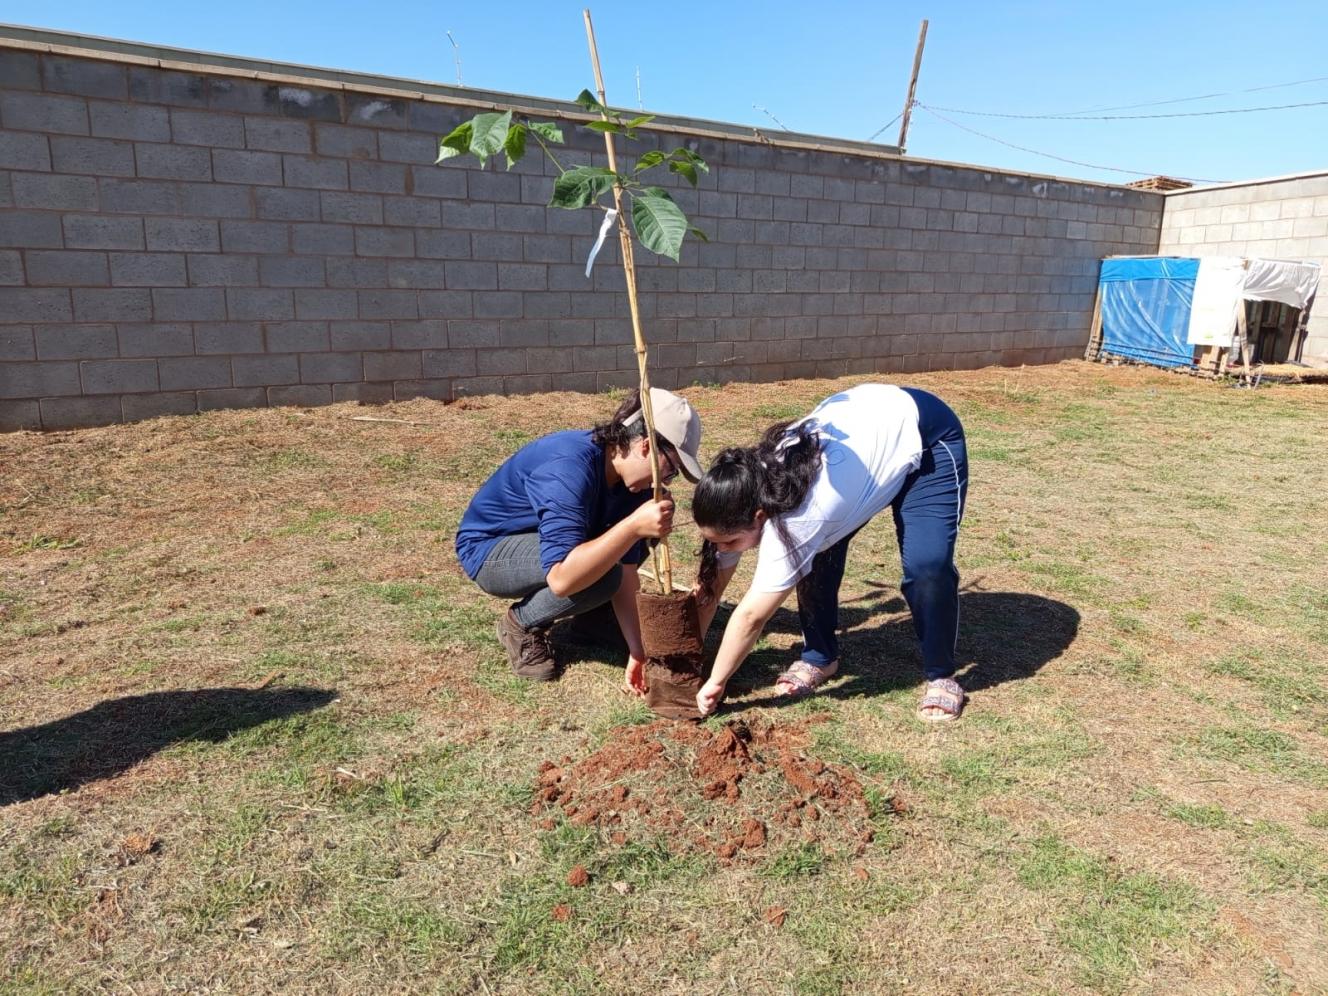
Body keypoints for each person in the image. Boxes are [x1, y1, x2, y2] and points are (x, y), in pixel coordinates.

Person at [690, 383, 968, 721]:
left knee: (928, 566)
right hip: (863, 449)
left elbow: (752, 615)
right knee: (816, 555)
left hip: (926, 437)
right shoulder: (745, 489)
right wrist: (691, 652)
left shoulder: (805, 513)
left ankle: (941, 674)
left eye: (730, 542)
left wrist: (716, 683)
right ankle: (820, 657)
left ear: (759, 516)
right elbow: (714, 583)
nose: (724, 550)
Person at [455, 388, 704, 691]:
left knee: (610, 564)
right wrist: (631, 528)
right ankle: (521, 623)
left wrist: (638, 650)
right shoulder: (568, 467)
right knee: (602, 568)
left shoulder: (630, 486)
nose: (665, 483)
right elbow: (562, 578)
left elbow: (626, 570)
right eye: (671, 470)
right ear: (647, 447)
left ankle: (594, 618)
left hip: (553, 546)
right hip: (493, 550)